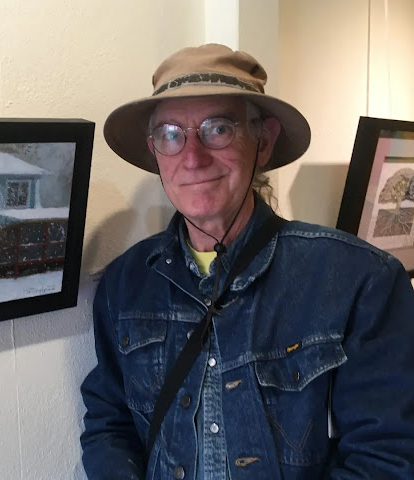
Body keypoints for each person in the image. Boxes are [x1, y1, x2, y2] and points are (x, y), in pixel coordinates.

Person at [79, 44, 414, 480]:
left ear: (265, 140)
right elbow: (109, 422)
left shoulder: (360, 281)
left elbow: (387, 456)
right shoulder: (125, 282)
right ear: (154, 149)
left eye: (217, 129)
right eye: (171, 134)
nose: (193, 157)